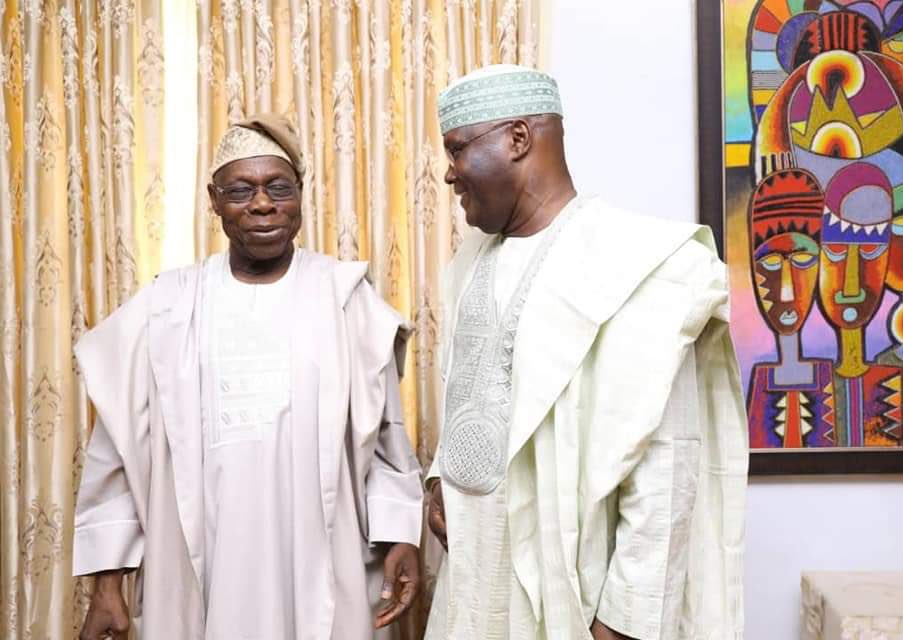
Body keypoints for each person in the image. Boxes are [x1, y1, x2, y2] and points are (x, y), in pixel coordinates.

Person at [424, 65, 749, 640]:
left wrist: (624, 624)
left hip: (570, 598)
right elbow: (469, 388)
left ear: (517, 139)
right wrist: (437, 480)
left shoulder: (639, 264)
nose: (449, 175)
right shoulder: (470, 262)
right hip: (469, 588)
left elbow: (668, 469)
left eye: (456, 150)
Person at [73, 114, 423, 640]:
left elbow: (388, 439)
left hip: (322, 561)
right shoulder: (168, 307)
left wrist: (402, 535)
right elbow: (117, 452)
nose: (262, 204)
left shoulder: (344, 298)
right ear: (214, 200)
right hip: (197, 573)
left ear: (301, 195)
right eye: (241, 190)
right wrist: (106, 586)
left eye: (278, 187)